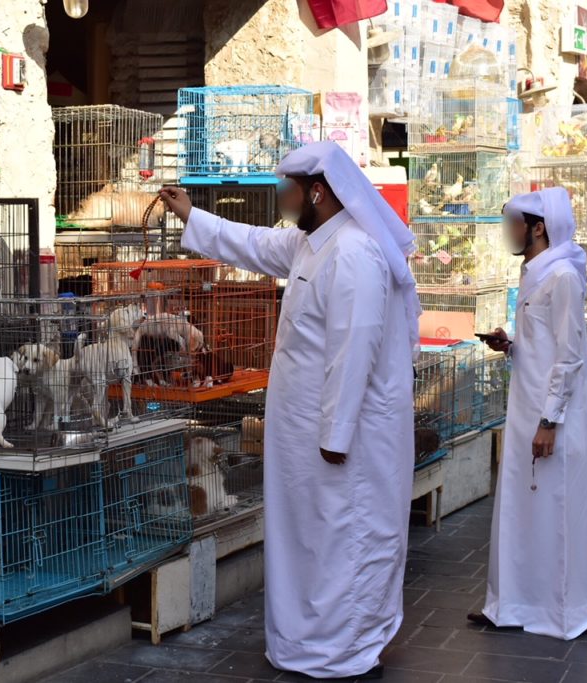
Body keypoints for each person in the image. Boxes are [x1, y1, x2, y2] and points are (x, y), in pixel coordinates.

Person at [159, 141, 421, 680]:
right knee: (307, 539)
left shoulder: (353, 252)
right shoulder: (310, 243)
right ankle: (304, 641)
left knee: (342, 538)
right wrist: (190, 214)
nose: (281, 197)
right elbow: (252, 243)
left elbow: (355, 352)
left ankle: (344, 647)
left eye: (288, 188)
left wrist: (337, 433)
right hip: (304, 432)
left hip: (341, 437)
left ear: (318, 192)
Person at [472, 187, 587, 639]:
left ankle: (559, 611)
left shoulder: (562, 276)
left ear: (538, 228)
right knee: (521, 510)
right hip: (526, 409)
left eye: (514, 223)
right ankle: (512, 604)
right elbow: (543, 346)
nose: (508, 232)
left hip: (552, 419)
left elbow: (568, 356)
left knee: (554, 512)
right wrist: (511, 344)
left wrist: (549, 422)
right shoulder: (534, 273)